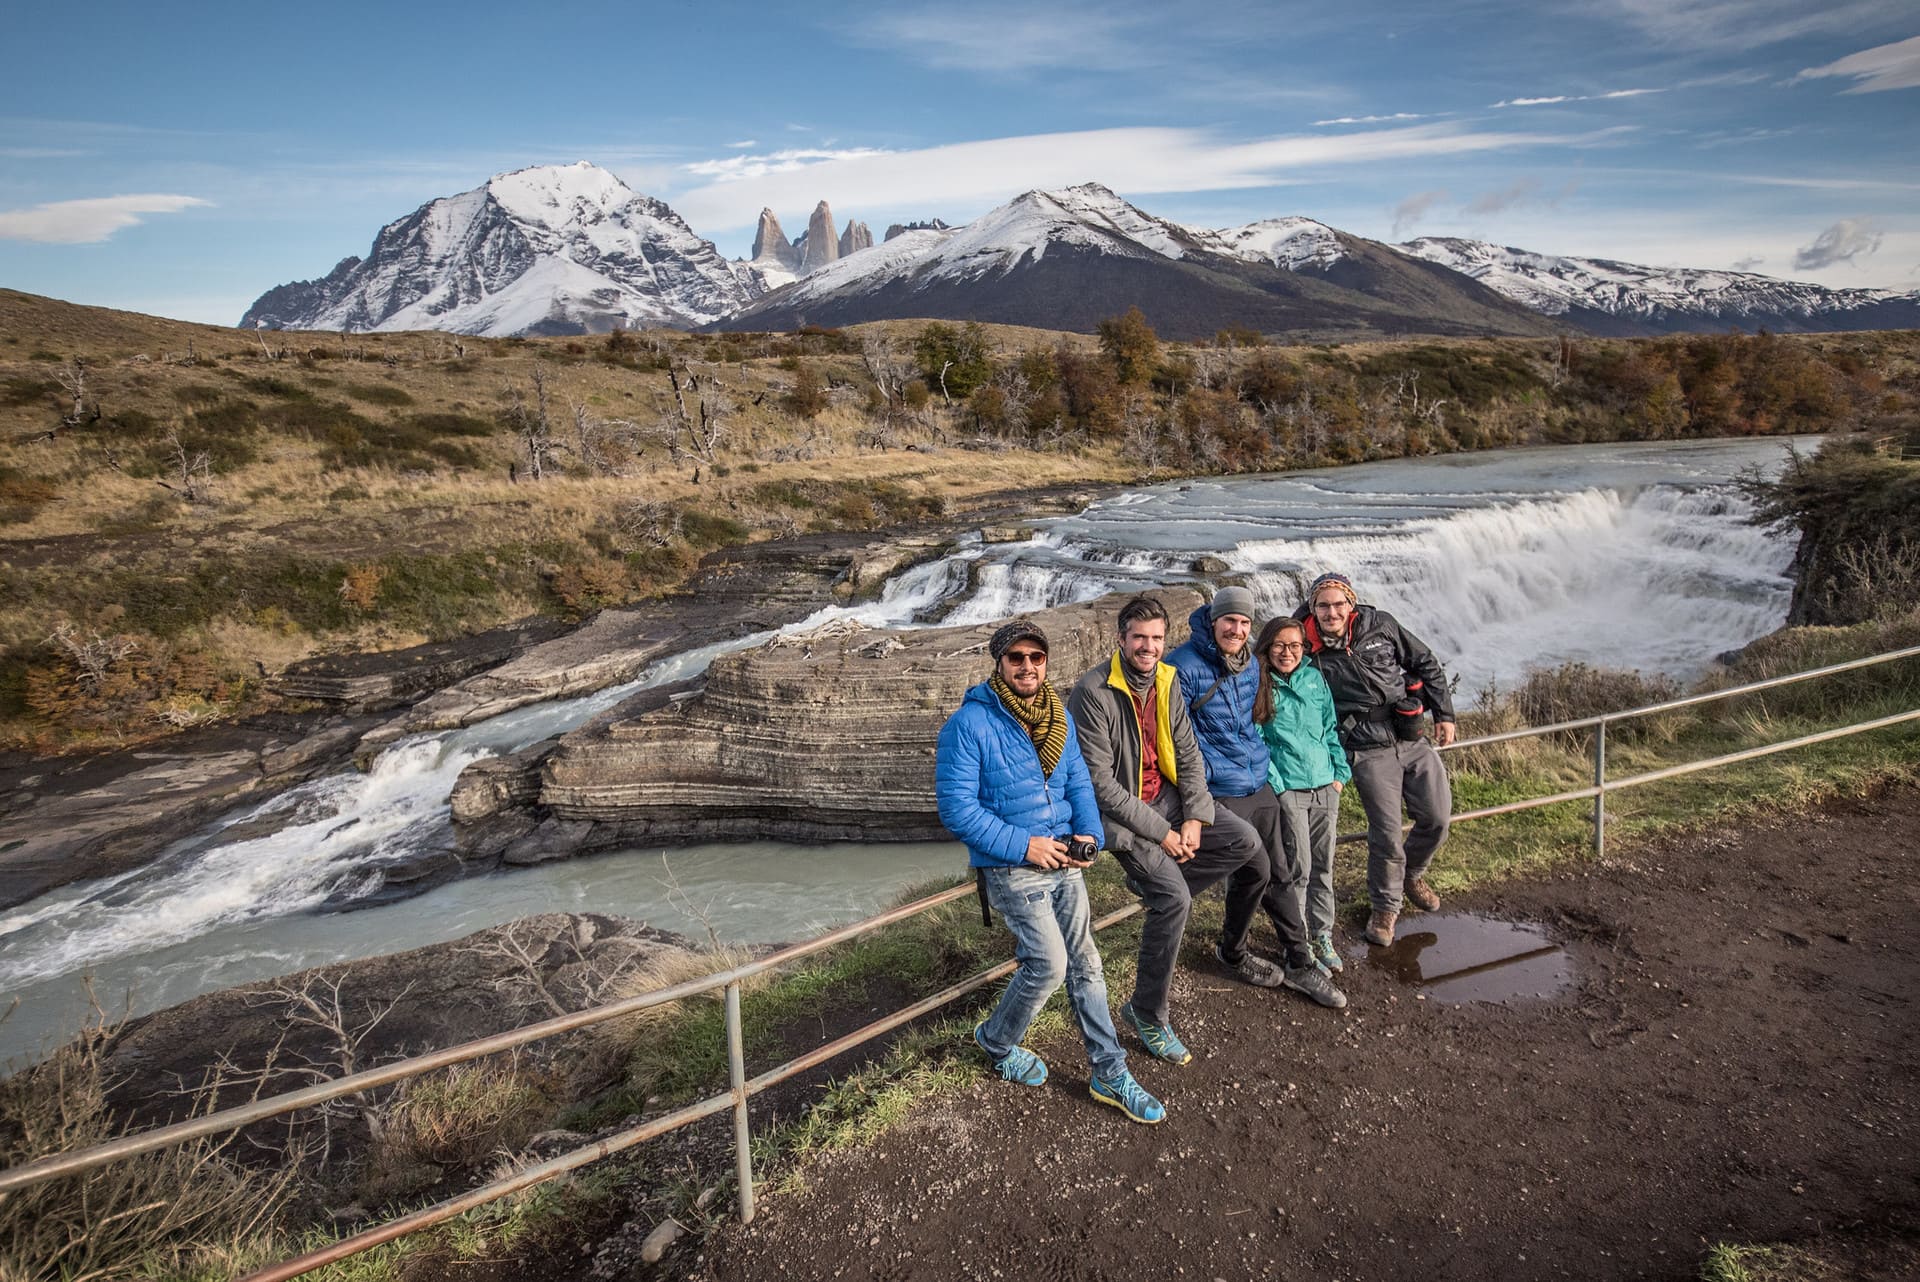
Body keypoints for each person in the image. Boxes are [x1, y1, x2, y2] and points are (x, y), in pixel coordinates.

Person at [934, 617, 1166, 1124]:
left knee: (1088, 964)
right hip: (1013, 867)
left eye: (1036, 657)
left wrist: (1090, 836)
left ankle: (1109, 1072)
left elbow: (1079, 782)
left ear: (1045, 663)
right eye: (1016, 657)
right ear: (999, 662)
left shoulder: (1056, 715)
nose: (1027, 666)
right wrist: (1025, 845)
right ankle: (996, 1041)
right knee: (1049, 965)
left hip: (1065, 859)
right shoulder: (968, 724)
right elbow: (956, 808)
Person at [1068, 595, 1279, 1067]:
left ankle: (1157, 884)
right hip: (1123, 815)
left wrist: (1195, 818)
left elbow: (1187, 754)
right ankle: (1147, 1012)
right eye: (1139, 637)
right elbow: (1101, 785)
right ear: (1121, 639)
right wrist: (1165, 833)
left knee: (1244, 842)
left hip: (1167, 797)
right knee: (1175, 900)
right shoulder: (1093, 691)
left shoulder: (1166, 679)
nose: (1148, 647)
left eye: (1157, 638)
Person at [1165, 588, 1347, 1009]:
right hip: (1219, 788)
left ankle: (1296, 961)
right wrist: (1196, 794)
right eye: (1229, 620)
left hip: (1256, 781)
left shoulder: (1250, 663)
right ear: (1213, 620)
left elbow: (1257, 719)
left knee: (1275, 871)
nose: (1237, 629)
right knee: (1257, 868)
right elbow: (1174, 738)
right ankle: (1232, 950)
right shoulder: (1181, 667)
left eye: (1245, 622)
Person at [1293, 572, 1455, 948]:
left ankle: (1411, 874)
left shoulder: (1380, 624)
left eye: (1338, 604)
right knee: (1386, 834)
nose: (1331, 613)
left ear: (1351, 603)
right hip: (1365, 748)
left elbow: (1425, 661)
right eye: (1322, 606)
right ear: (1312, 608)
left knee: (1437, 819)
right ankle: (1385, 909)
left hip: (1410, 736)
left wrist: (1444, 714)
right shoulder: (1304, 644)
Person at [1253, 616, 1352, 974]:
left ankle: (1322, 935)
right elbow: (1257, 741)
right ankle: (1297, 942)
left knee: (1324, 865)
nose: (1287, 652)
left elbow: (1329, 726)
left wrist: (1340, 772)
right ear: (1267, 647)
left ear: (1304, 648)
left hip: (1325, 785)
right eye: (1279, 645)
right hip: (1290, 789)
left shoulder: (1314, 678)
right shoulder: (1260, 683)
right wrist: (1278, 787)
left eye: (1295, 645)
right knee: (1299, 868)